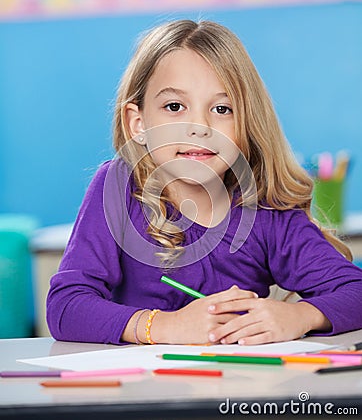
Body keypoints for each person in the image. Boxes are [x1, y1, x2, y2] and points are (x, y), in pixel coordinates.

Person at [47, 19, 362, 346]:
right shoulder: (117, 188)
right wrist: (166, 326)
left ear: (246, 124)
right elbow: (66, 307)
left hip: (237, 388)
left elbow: (356, 291)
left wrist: (298, 316)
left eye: (222, 108)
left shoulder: (267, 210)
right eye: (174, 106)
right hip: (137, 389)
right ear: (138, 123)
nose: (199, 126)